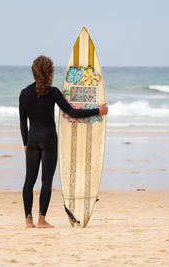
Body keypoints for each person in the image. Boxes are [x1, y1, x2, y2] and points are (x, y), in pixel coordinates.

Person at [19, 55, 108, 228]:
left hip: (32, 140)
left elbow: (23, 122)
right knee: (46, 181)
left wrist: (24, 143)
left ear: (34, 72)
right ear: (50, 72)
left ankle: (28, 220)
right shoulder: (53, 93)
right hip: (49, 140)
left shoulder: (24, 93)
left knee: (29, 180)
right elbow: (72, 113)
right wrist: (98, 110)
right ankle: (41, 219)